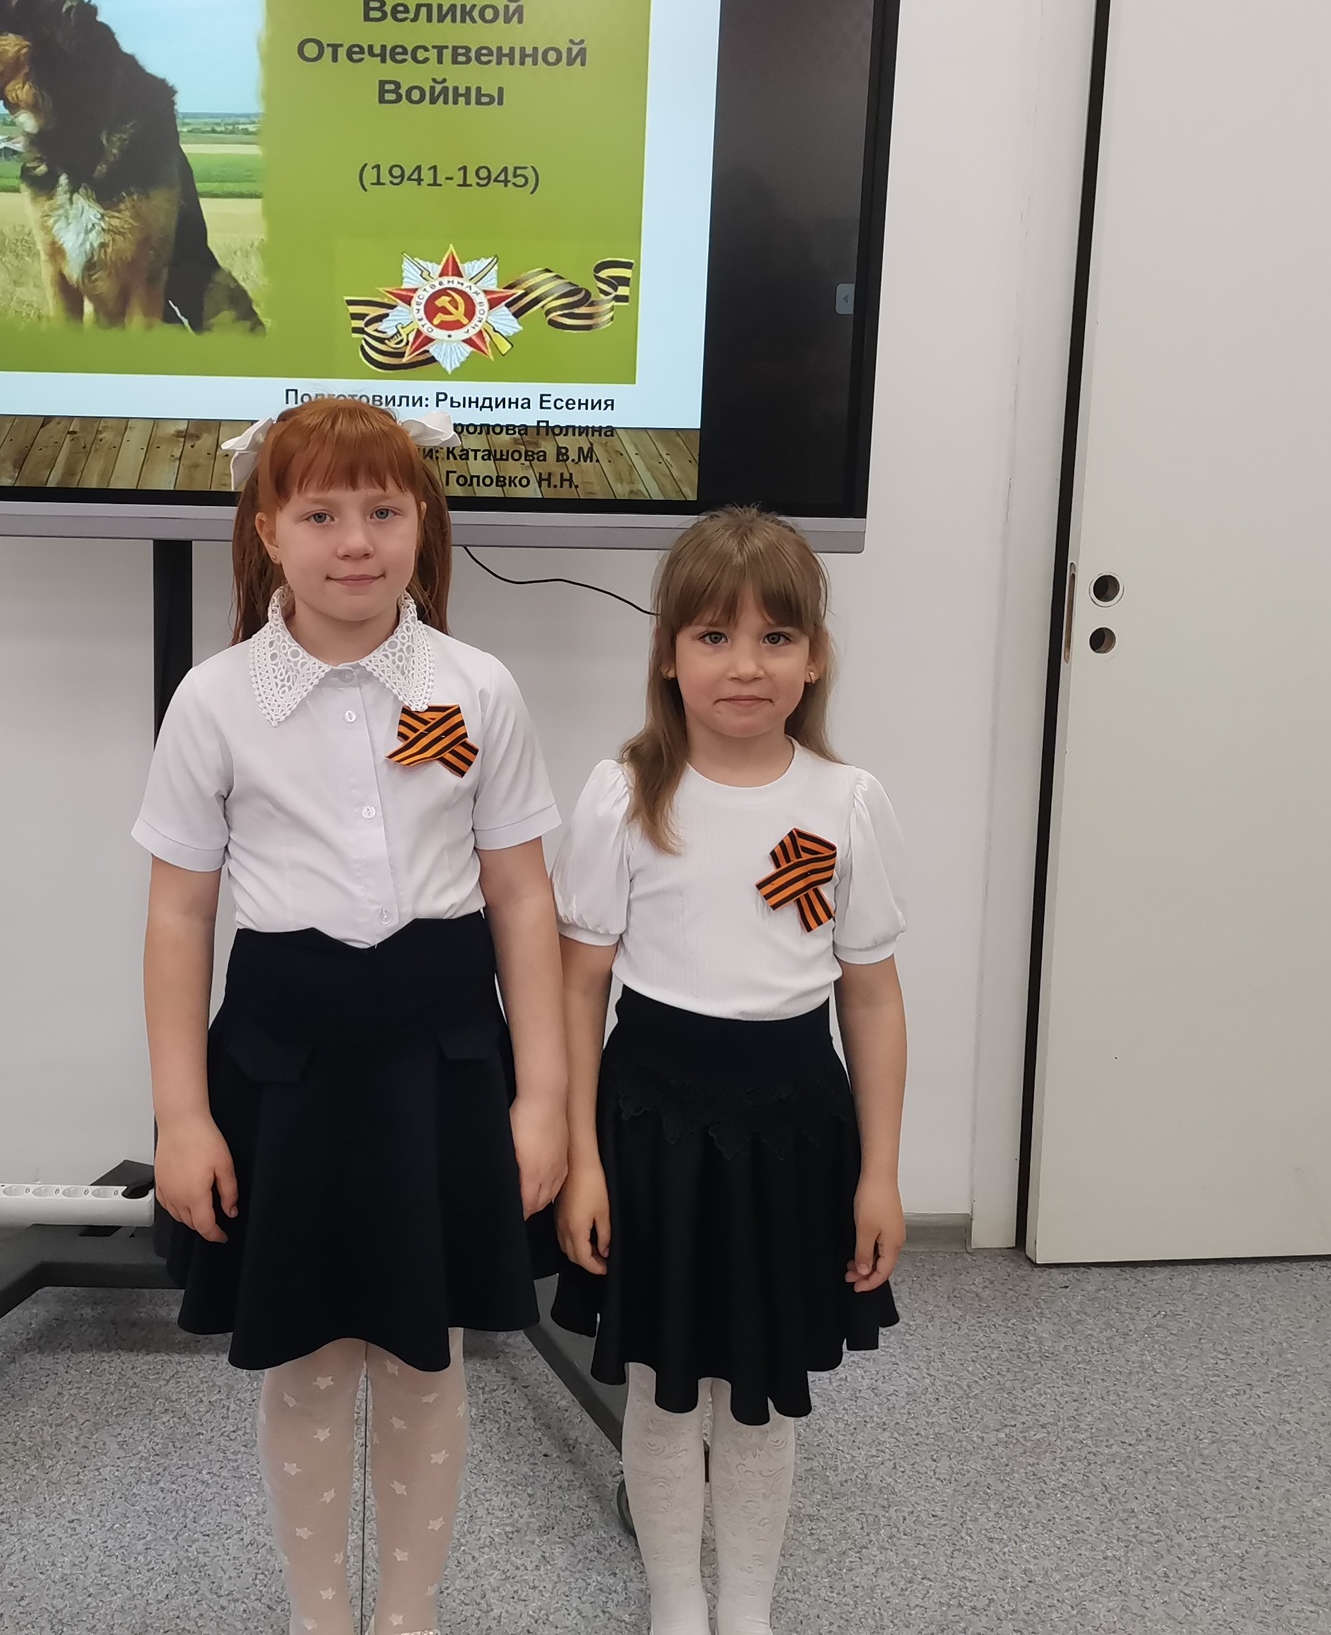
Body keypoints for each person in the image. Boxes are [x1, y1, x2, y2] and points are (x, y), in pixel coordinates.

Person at [135, 397, 570, 1635]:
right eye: (320, 514)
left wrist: (543, 1097)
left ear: (421, 519)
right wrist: (181, 1117)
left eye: (383, 510)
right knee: (312, 1359)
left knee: (428, 1356)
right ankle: (319, 1616)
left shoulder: (477, 688)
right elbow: (178, 916)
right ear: (266, 530)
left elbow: (521, 897)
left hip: (443, 1060)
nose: (356, 542)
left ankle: (408, 1614)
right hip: (288, 1067)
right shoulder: (214, 701)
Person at [549, 506, 909, 1635]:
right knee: (661, 1388)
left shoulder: (847, 804)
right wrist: (580, 1159)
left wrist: (880, 1175)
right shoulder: (623, 793)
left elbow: (871, 997)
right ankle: (675, 1595)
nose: (744, 666)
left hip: (793, 1129)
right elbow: (576, 988)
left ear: (815, 658)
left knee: (758, 1397)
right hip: (650, 1127)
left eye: (774, 638)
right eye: (713, 636)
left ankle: (746, 1602)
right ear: (668, 653)